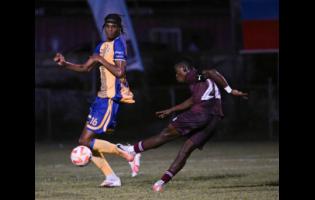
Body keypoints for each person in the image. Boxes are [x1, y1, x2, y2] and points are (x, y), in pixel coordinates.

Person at [117, 60, 248, 192]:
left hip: (201, 114)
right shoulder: (198, 81)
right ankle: (161, 183)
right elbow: (193, 100)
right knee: (185, 150)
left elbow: (211, 72)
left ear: (184, 69)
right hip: (214, 119)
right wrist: (172, 109)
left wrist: (230, 91)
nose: (176, 76)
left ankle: (133, 151)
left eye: (177, 72)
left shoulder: (193, 75)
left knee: (166, 134)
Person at [53, 13, 141, 187]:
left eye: (113, 26)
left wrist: (100, 60)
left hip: (109, 99)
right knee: (84, 142)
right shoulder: (101, 46)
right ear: (104, 27)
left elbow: (120, 72)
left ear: (119, 28)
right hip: (100, 99)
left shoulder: (119, 44)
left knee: (85, 141)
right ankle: (112, 177)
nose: (110, 29)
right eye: (107, 26)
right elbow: (85, 68)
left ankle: (126, 153)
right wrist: (65, 64)